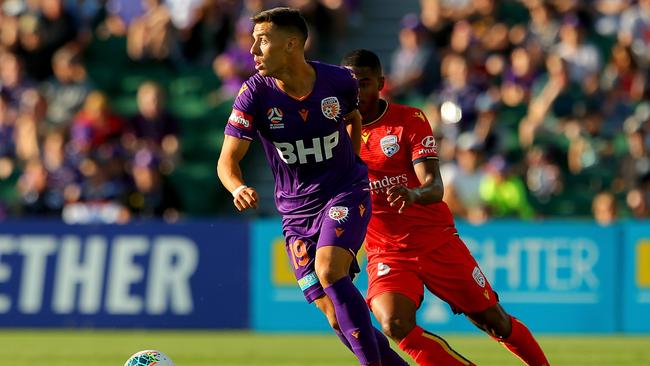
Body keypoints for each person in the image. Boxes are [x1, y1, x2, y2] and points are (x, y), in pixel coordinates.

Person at [216, 8, 406, 366]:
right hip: (296, 213)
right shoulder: (254, 94)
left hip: (343, 192)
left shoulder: (338, 82)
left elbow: (353, 118)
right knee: (335, 316)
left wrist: (353, 166)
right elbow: (227, 161)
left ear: (290, 45)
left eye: (262, 40)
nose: (253, 50)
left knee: (329, 270)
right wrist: (237, 187)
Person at [341, 49, 550, 366]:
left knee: (493, 321)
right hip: (387, 251)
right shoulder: (333, 133)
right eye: (350, 84)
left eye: (365, 83)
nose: (357, 93)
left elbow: (435, 186)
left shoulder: (409, 120)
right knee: (394, 324)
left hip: (435, 240)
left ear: (381, 83)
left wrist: (413, 194)